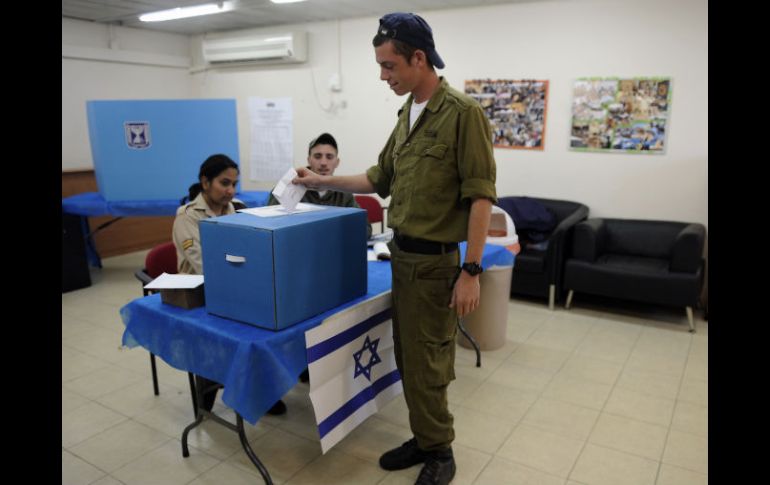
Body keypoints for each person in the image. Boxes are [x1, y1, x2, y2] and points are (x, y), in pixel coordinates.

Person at [291, 12, 496, 485]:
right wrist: (320, 180)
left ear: (418, 59)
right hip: (402, 258)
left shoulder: (463, 114)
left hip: (435, 265)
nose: (383, 76)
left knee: (429, 362)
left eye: (389, 67)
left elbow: (481, 197)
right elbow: (377, 178)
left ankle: (440, 452)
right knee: (407, 358)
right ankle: (424, 438)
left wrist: (471, 270)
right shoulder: (408, 114)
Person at [173, 154, 287, 416]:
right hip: (200, 296)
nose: (230, 190)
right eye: (224, 183)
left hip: (238, 287)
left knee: (265, 333)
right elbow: (204, 265)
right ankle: (210, 382)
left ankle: (261, 391)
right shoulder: (187, 217)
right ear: (205, 182)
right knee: (234, 336)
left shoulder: (237, 208)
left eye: (234, 184)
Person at [267, 132, 372, 239]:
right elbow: (270, 228)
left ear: (337, 162)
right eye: (317, 156)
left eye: (329, 157)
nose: (323, 162)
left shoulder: (344, 194)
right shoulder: (289, 187)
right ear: (309, 160)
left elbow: (365, 230)